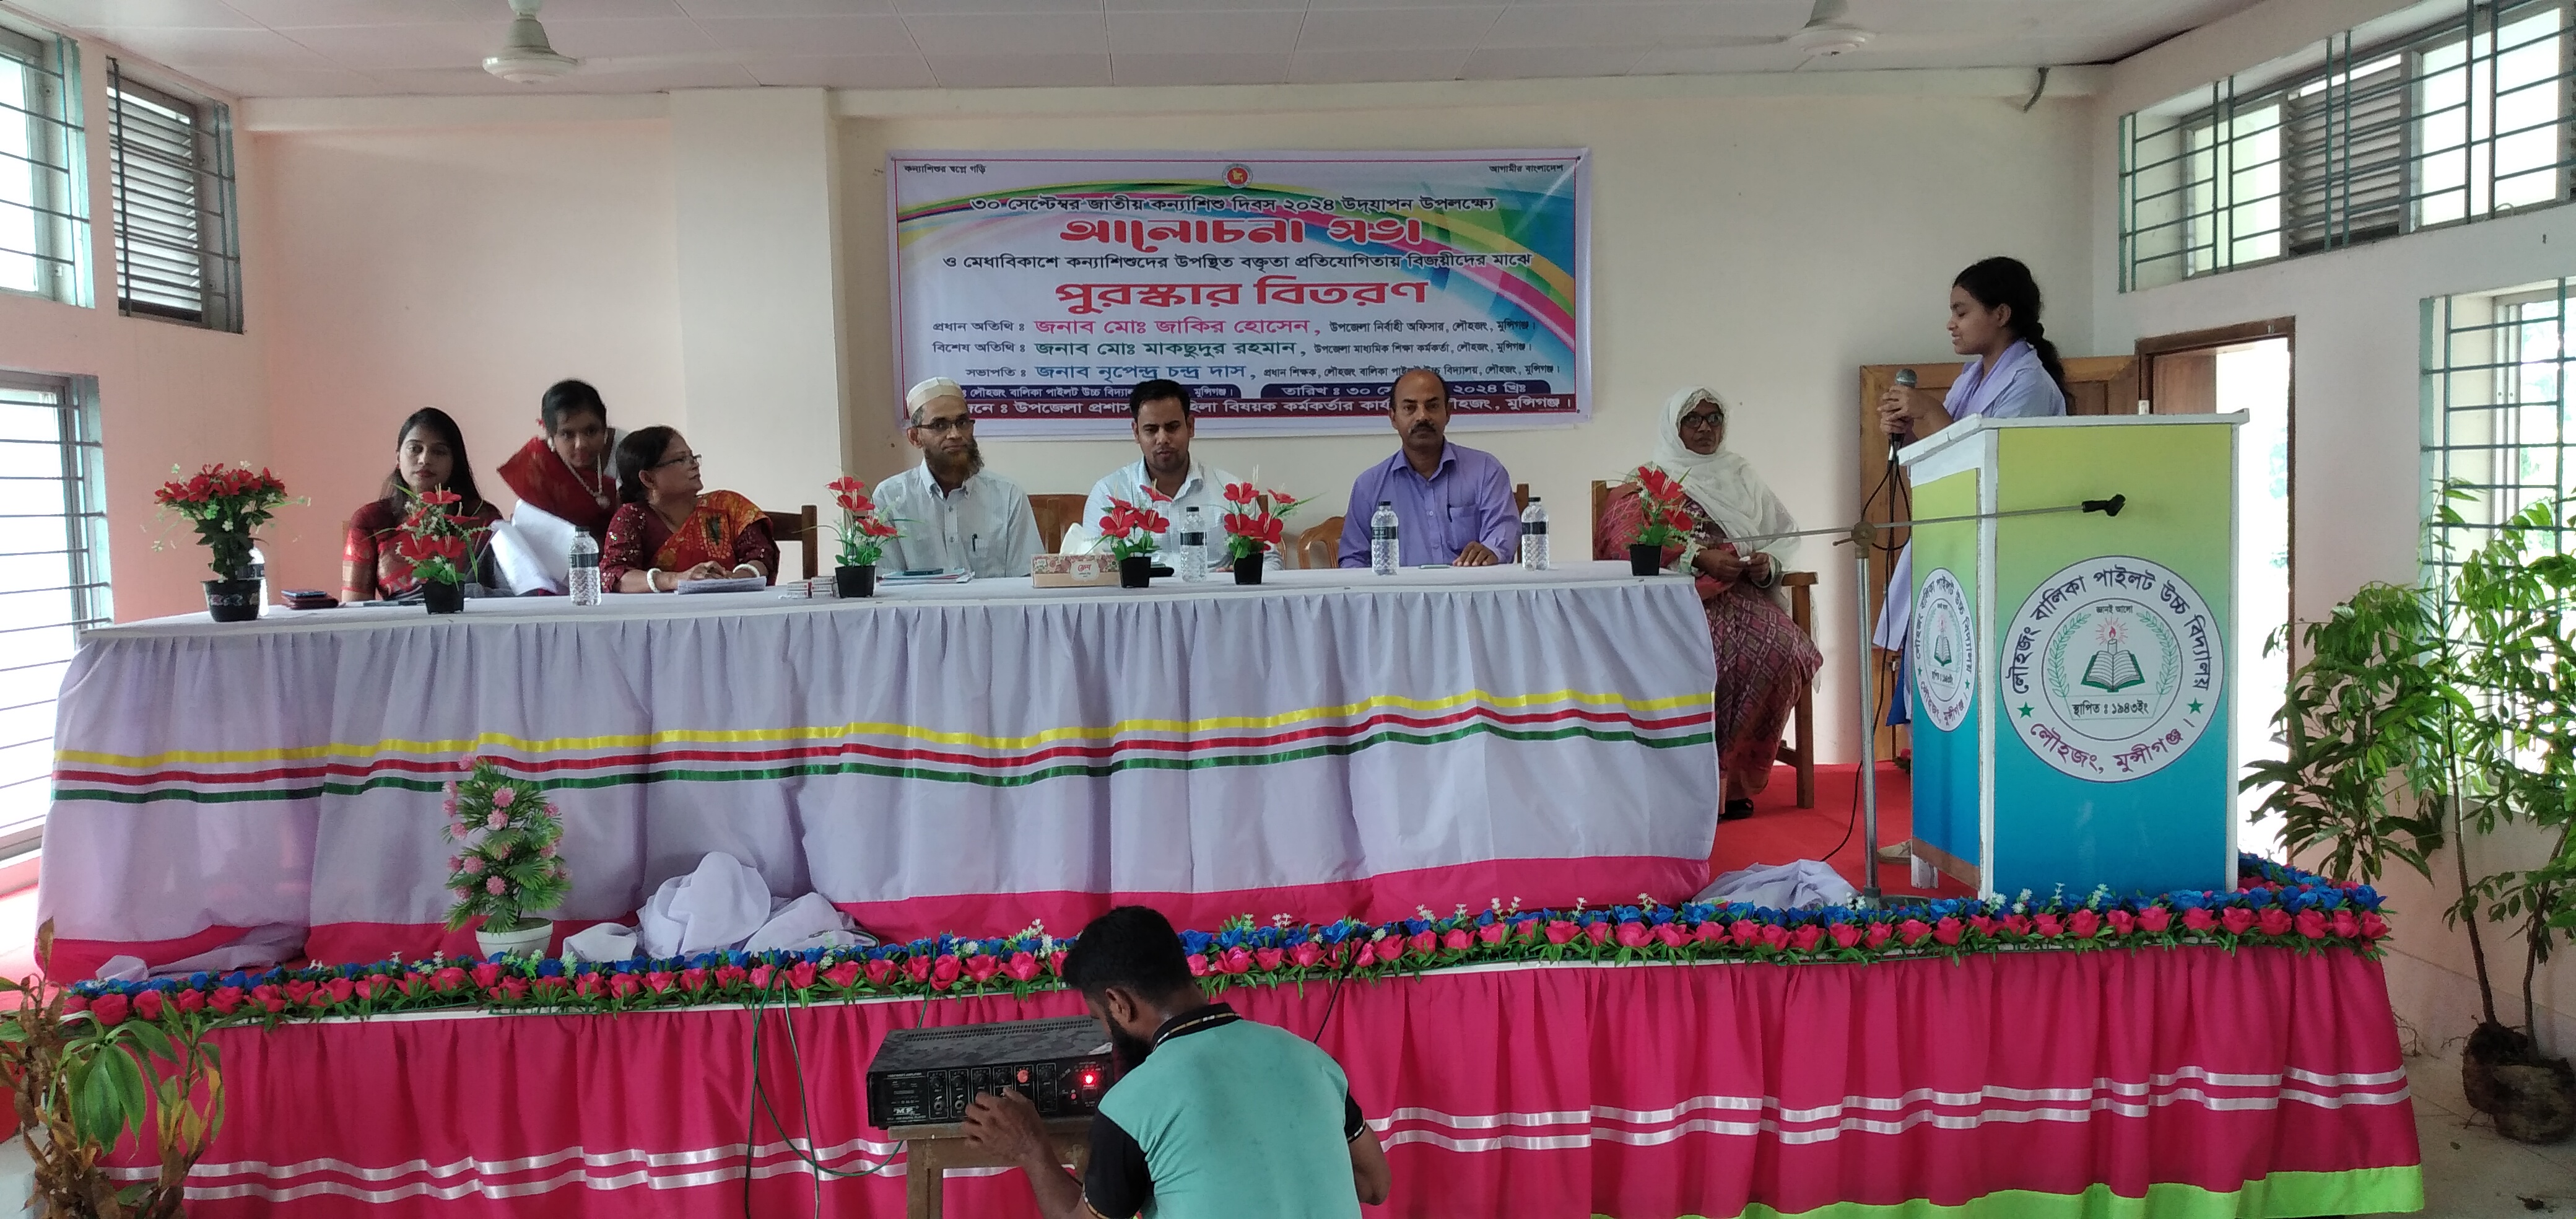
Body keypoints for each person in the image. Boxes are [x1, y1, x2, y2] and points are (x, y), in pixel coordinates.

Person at [962, 906, 1391, 1219]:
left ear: (1118, 1003)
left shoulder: (1132, 1104)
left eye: (1099, 1018)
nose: (1106, 1034)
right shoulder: (1310, 1059)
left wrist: (1031, 1151)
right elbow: (1376, 1184)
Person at [1597, 389, 1822, 820]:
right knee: (1704, 655)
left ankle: (1732, 782)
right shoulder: (1649, 481)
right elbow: (1625, 543)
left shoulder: (1742, 475)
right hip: (1678, 597)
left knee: (1785, 652)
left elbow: (1784, 536)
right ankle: (1686, 784)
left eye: (1714, 418)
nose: (1705, 428)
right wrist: (1698, 557)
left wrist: (1766, 563)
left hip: (1743, 594)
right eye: (1693, 420)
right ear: (1674, 427)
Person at [1871, 256, 2069, 725]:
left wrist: (1929, 412)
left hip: (2002, 549)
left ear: (2001, 314)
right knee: (1935, 682)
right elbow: (1942, 454)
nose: (1951, 324)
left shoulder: (2029, 385)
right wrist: (1907, 427)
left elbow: (1986, 465)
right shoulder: (1971, 377)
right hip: (1952, 540)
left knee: (1972, 689)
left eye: (1962, 312)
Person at [1061, 380, 1261, 564]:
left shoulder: (1233, 493)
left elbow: (1268, 561)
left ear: (1190, 427)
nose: (1163, 438)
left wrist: (1240, 575)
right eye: (1151, 430)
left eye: (1172, 427)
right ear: (1136, 433)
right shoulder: (1108, 494)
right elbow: (1094, 569)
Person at [1336, 369, 1518, 567]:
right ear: (1393, 417)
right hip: (1399, 588)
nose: (1422, 416)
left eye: (1432, 406)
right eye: (1410, 408)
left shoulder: (1486, 471)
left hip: (1470, 586)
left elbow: (1503, 532)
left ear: (1448, 412)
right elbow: (1353, 558)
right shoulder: (1369, 487)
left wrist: (1491, 552)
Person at [873, 377, 1042, 578]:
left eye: (962, 423)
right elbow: (885, 582)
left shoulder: (1008, 497)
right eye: (940, 425)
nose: (955, 434)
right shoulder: (889, 499)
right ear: (915, 437)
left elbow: (1027, 580)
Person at [342, 408, 502, 603]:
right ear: (398, 457)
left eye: (439, 451)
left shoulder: (483, 517)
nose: (425, 460)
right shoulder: (371, 520)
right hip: (398, 623)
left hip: (474, 621)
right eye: (415, 449)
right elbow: (354, 608)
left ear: (454, 462)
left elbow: (509, 597)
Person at [598, 426, 778, 592]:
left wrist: (734, 580)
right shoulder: (632, 518)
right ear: (648, 479)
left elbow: (762, 555)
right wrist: (675, 579)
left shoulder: (727, 505)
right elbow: (614, 574)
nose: (694, 464)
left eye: (693, 457)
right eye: (681, 459)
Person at [494, 378, 618, 538]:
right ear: (550, 435)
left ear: (604, 426)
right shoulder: (539, 466)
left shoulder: (626, 452)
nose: (581, 444)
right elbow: (535, 532)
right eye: (567, 434)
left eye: (591, 431)